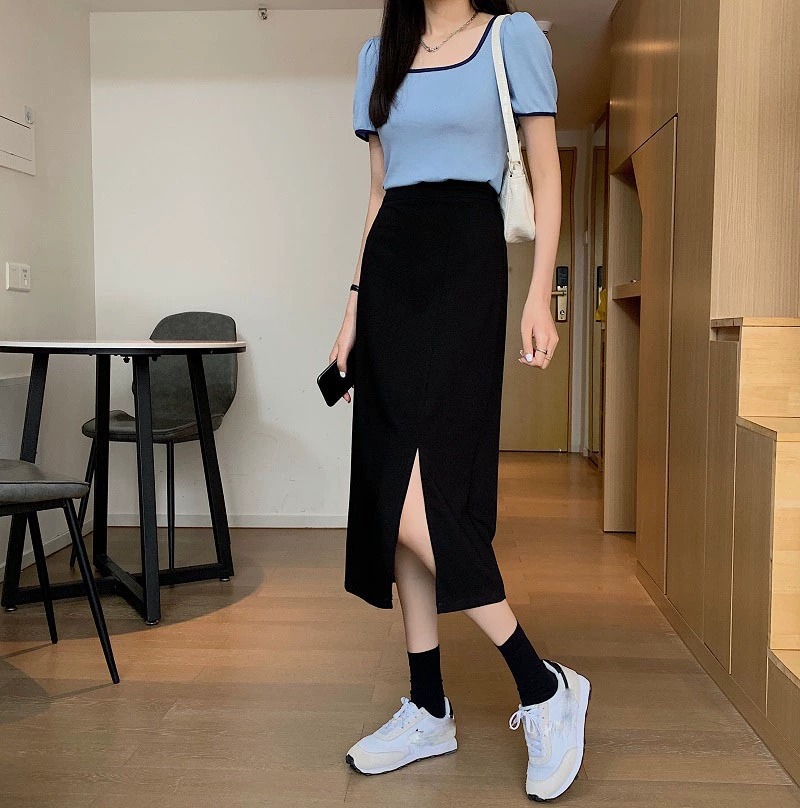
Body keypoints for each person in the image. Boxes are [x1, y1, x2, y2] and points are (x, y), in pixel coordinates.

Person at [329, 0, 591, 800]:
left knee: (430, 486)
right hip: (392, 272)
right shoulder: (379, 53)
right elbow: (377, 195)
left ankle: (543, 685)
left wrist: (541, 292)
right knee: (392, 488)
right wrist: (352, 309)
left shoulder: (511, 38)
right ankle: (428, 705)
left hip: (466, 263)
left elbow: (545, 173)